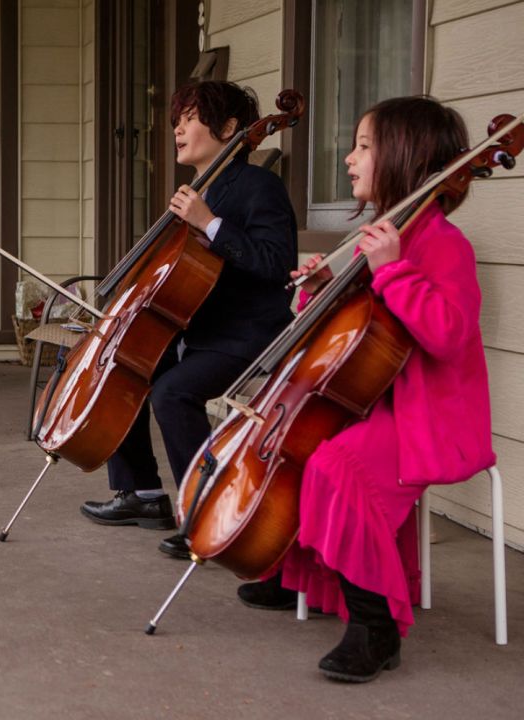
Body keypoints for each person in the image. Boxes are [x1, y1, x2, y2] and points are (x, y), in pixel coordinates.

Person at [235, 96, 495, 683]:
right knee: (303, 447)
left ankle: (375, 626)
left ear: (404, 155)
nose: (349, 159)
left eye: (364, 146)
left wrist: (392, 270)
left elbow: (448, 336)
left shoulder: (442, 244)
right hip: (377, 401)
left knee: (338, 466)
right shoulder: (391, 233)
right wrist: (321, 289)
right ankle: (311, 578)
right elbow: (360, 336)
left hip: (430, 417)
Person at [80, 81, 298, 560]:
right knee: (125, 364)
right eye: (177, 119)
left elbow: (275, 263)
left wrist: (210, 223)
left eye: (191, 118)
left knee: (173, 391)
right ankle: (143, 493)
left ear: (228, 128)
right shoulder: (197, 191)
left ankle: (207, 510)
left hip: (247, 333)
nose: (177, 127)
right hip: (194, 328)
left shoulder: (259, 186)